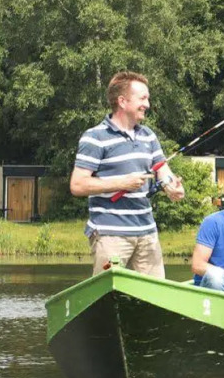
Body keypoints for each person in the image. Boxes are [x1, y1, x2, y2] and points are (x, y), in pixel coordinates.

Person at [70, 71, 185, 277]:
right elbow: (78, 185)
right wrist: (120, 182)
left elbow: (161, 169)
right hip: (110, 235)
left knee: (154, 299)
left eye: (147, 98)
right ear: (122, 101)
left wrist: (171, 187)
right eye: (142, 98)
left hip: (147, 234)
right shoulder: (95, 137)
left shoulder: (148, 135)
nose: (147, 104)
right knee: (107, 298)